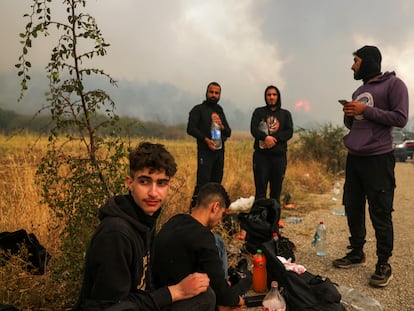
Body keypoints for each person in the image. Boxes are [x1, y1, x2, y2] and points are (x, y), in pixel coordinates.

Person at [74, 142, 214, 310]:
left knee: (204, 294)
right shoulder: (115, 234)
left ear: (168, 185)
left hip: (138, 304)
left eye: (161, 183)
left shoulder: (144, 220)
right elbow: (112, 308)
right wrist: (174, 292)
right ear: (130, 183)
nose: (153, 193)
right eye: (144, 182)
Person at [332, 45, 409, 288]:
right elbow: (356, 125)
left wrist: (366, 109)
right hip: (354, 157)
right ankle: (357, 252)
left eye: (355, 61)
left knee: (380, 211)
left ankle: (384, 263)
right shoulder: (359, 89)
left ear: (368, 62)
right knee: (352, 206)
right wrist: (350, 114)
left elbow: (400, 117)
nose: (352, 66)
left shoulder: (395, 85)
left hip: (378, 158)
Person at [152, 182, 251, 310]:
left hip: (159, 292)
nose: (220, 221)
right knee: (210, 297)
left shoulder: (176, 219)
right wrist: (236, 299)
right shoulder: (203, 238)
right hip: (174, 303)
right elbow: (223, 294)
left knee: (218, 240)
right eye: (222, 214)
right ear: (215, 207)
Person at [187, 82, 232, 209]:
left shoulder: (220, 111)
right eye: (211, 92)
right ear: (206, 93)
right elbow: (190, 128)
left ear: (220, 95)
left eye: (216, 93)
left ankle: (212, 214)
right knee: (202, 184)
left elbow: (228, 132)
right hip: (205, 152)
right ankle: (193, 213)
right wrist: (205, 139)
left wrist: (222, 126)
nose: (213, 95)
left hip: (219, 152)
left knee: (216, 184)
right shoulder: (198, 110)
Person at [250, 85, 293, 203]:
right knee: (260, 191)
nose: (271, 97)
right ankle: (260, 219)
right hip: (261, 157)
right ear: (265, 97)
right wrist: (265, 137)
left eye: (274, 95)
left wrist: (274, 139)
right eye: (269, 95)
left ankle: (274, 219)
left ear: (278, 97)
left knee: (276, 191)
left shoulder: (285, 114)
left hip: (278, 157)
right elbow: (253, 129)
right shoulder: (258, 112)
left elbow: (289, 132)